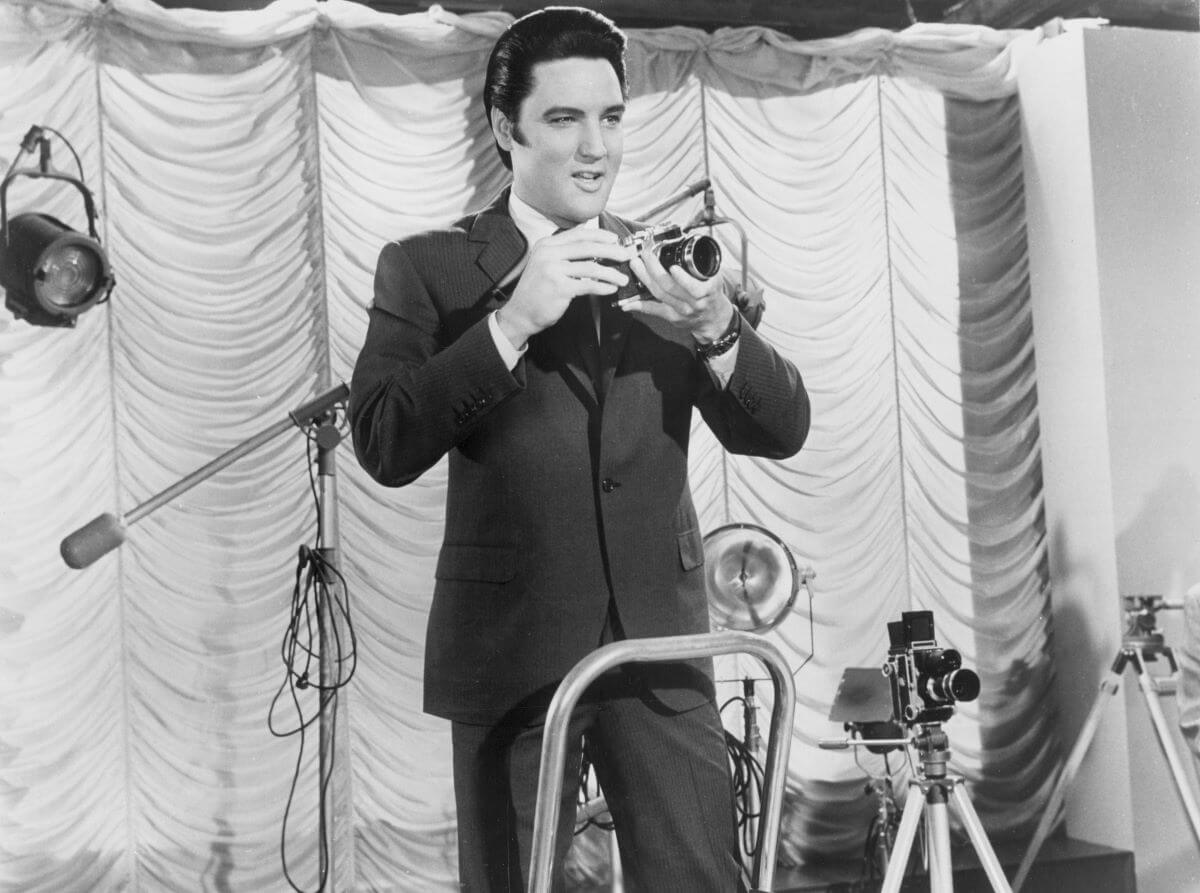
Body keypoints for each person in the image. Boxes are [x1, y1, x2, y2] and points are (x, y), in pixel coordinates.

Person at [349, 7, 810, 891]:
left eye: (611, 117)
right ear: (504, 129)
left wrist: (716, 328)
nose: (594, 147)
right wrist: (512, 322)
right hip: (510, 651)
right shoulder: (428, 267)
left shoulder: (665, 261)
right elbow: (382, 440)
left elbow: (781, 428)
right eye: (564, 119)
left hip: (659, 647)